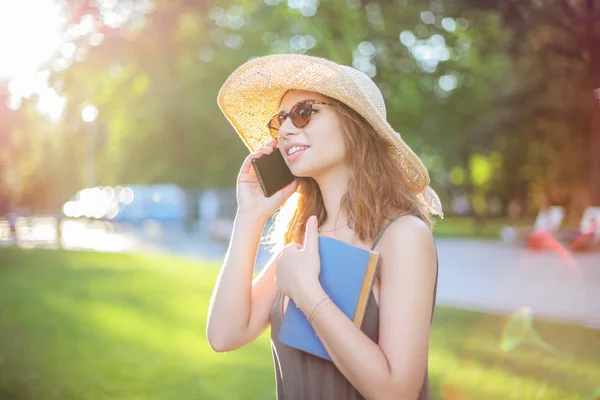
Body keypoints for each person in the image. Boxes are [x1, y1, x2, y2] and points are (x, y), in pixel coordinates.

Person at [206, 54, 444, 400]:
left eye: (304, 113)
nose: (286, 130)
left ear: (354, 122)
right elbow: (224, 335)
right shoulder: (305, 241)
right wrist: (250, 217)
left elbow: (398, 391)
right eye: (279, 121)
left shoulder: (403, 236)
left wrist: (307, 294)